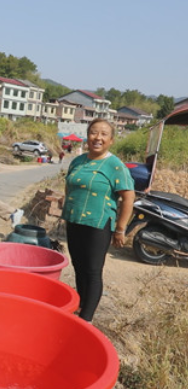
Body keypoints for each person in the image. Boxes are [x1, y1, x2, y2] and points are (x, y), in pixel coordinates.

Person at [61, 118, 135, 322]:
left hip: (98, 223)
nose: (98, 138)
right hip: (75, 220)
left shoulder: (115, 165)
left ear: (111, 140)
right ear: (87, 136)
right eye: (94, 132)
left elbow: (128, 197)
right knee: (78, 265)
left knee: (93, 270)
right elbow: (69, 186)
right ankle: (81, 306)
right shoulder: (78, 161)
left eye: (103, 134)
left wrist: (120, 229)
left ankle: (87, 319)